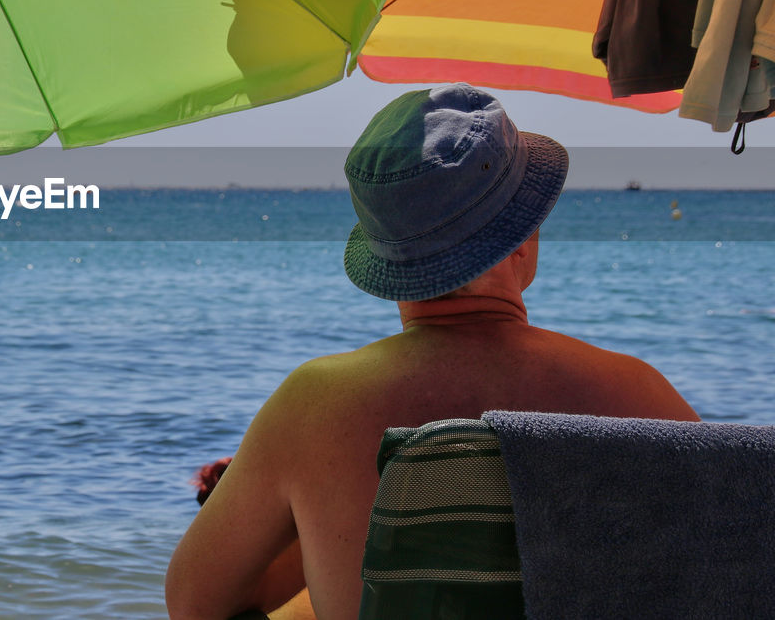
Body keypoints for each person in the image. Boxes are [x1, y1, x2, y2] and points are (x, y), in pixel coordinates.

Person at [165, 84, 699, 620]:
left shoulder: (316, 407)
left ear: (385, 259)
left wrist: (316, 523)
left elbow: (194, 605)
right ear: (525, 235)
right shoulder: (637, 393)